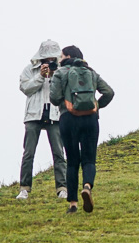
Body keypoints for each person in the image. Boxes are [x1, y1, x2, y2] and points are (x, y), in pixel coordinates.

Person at [49, 45, 115, 215]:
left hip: (68, 119)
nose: (59, 59)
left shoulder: (60, 72)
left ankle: (73, 204)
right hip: (90, 119)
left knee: (72, 161)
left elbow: (55, 99)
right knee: (89, 159)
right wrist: (96, 106)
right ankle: (87, 186)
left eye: (61, 56)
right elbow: (109, 92)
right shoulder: (91, 72)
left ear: (68, 56)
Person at [17, 40, 68, 200]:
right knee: (28, 153)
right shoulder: (30, 70)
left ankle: (62, 188)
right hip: (34, 115)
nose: (50, 62)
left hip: (55, 114)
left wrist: (53, 77)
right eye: (47, 60)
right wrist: (40, 76)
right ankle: (24, 188)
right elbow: (26, 89)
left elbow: (64, 90)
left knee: (59, 153)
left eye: (53, 59)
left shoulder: (61, 71)